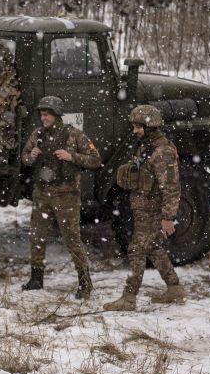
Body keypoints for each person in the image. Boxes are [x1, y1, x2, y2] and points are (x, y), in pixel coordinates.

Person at [104, 104, 186, 312]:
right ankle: (174, 288)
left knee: (136, 249)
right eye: (134, 126)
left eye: (138, 127)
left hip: (153, 210)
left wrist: (167, 217)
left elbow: (171, 187)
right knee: (154, 248)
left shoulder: (163, 151)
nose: (135, 131)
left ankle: (129, 298)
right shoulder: (145, 147)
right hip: (142, 208)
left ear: (150, 126)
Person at [20, 96, 102, 299]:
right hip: (41, 193)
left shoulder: (74, 135)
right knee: (37, 236)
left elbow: (96, 159)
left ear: (56, 115)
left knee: (72, 238)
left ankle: (85, 282)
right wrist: (33, 156)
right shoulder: (37, 135)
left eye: (46, 114)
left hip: (66, 195)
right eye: (41, 114)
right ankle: (36, 278)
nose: (43, 117)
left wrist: (71, 156)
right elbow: (25, 158)